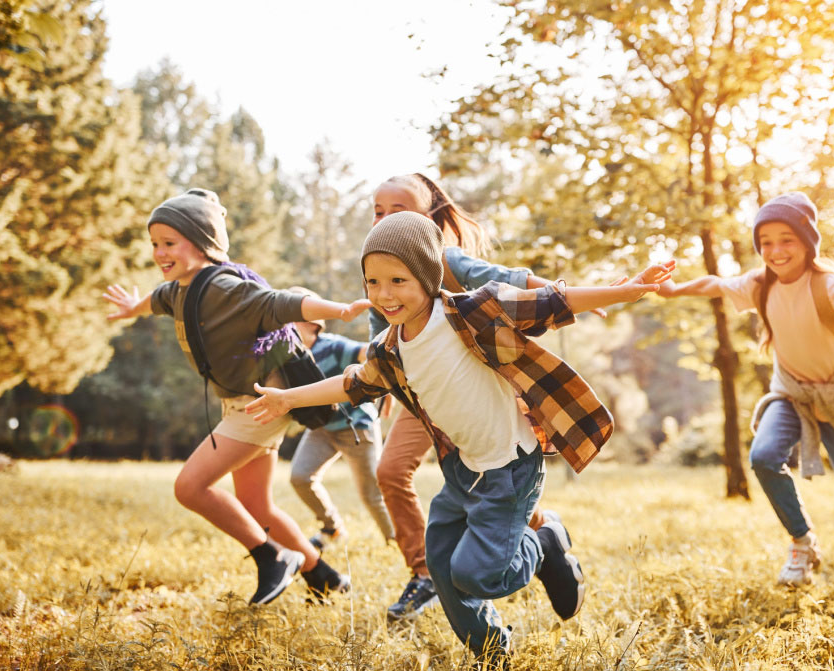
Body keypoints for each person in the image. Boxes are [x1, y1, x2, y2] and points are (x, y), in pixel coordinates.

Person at [247, 211, 676, 666]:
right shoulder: (389, 350)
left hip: (510, 467)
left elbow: (550, 301)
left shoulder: (473, 312)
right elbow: (353, 383)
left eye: (398, 280)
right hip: (462, 470)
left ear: (428, 277)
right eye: (373, 282)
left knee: (478, 575)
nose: (384, 294)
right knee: (444, 568)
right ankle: (493, 651)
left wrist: (627, 289)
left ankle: (544, 542)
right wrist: (287, 398)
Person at [103, 188, 369, 604]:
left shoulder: (225, 286)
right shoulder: (177, 290)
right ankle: (324, 578)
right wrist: (131, 307)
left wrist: (339, 310)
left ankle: (271, 558)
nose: (159, 253)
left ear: (204, 243)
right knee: (255, 505)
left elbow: (280, 303)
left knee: (190, 487)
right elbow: (153, 302)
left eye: (169, 243)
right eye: (155, 243)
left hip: (263, 401)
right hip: (242, 402)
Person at [657, 191, 834, 587]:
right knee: (764, 457)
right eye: (765, 242)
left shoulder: (828, 285)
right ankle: (803, 543)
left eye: (786, 239)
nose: (775, 250)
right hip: (791, 394)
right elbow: (714, 283)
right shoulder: (760, 285)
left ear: (807, 241)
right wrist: (673, 290)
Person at [369, 173, 604, 622]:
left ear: (430, 217)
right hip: (424, 394)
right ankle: (427, 574)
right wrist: (382, 388)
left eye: (398, 211)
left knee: (489, 477)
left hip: (475, 389)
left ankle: (538, 538)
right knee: (393, 470)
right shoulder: (382, 266)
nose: (383, 220)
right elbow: (381, 335)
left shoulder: (447, 258)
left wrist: (564, 295)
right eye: (378, 212)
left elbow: (504, 279)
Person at [286, 287, 395, 551]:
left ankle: (396, 541)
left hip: (356, 429)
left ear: (311, 323)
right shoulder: (290, 356)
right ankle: (332, 528)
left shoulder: (333, 346)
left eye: (291, 318)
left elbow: (369, 354)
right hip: (321, 430)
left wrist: (387, 384)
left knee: (372, 495)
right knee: (300, 477)